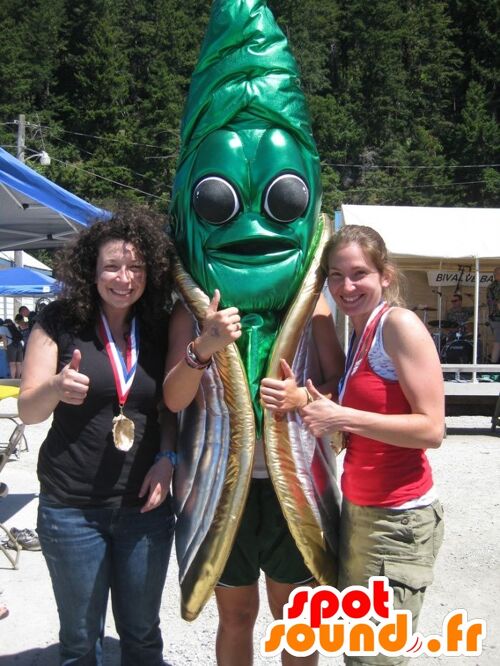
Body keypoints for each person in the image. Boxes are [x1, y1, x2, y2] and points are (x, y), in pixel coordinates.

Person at [18, 205, 176, 666]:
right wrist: (55, 387)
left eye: (135, 267)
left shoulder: (160, 324)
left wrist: (169, 457)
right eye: (112, 266)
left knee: (143, 636)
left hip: (144, 509)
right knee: (80, 639)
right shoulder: (59, 321)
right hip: (72, 509)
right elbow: (28, 411)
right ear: (91, 269)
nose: (124, 277)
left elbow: (168, 405)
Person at [164, 290, 344, 666]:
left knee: (295, 615)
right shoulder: (190, 310)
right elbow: (174, 399)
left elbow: (339, 385)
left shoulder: (313, 303)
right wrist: (204, 347)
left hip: (295, 482)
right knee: (236, 614)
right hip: (223, 486)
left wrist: (303, 398)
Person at [298, 225, 445, 666]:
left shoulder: (397, 325)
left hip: (399, 519)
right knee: (360, 651)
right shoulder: (360, 334)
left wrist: (341, 416)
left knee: (377, 657)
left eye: (359, 273)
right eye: (336, 276)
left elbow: (432, 429)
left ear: (385, 275)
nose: (346, 286)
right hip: (360, 513)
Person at [487, 266, 500, 363]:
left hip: (494, 318)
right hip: (497, 318)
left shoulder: (491, 286)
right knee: (498, 342)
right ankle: (493, 367)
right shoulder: (497, 286)